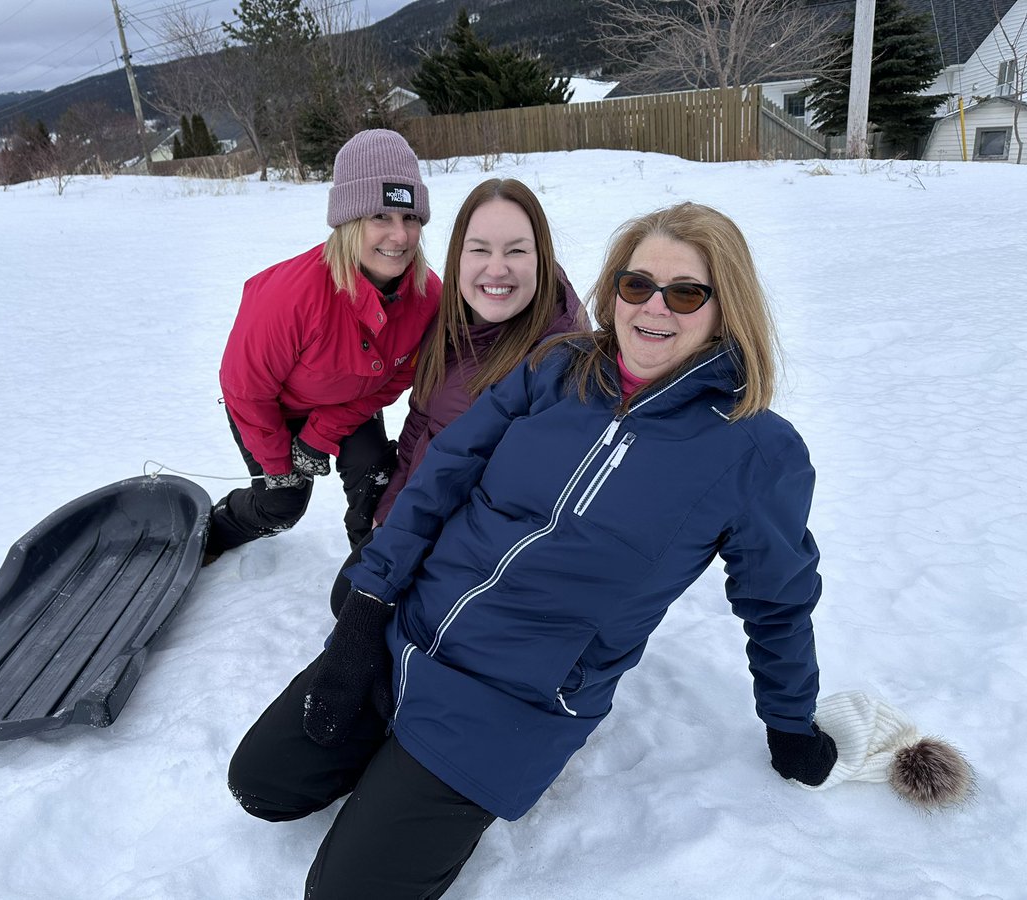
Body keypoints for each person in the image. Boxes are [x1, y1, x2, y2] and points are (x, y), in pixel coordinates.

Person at [228, 202, 839, 898]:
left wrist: (790, 722)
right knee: (260, 784)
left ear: (724, 306)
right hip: (413, 631)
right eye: (637, 286)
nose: (654, 309)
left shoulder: (754, 447)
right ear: (613, 291)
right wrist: (367, 610)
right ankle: (391, 748)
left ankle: (423, 778)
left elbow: (778, 602)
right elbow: (438, 480)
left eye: (686, 293)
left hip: (514, 698)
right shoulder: (558, 369)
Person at [328, 176, 588, 615]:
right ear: (458, 257)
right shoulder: (451, 322)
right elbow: (419, 424)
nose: (497, 268)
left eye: (517, 250)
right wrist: (390, 511)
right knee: (346, 598)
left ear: (542, 258)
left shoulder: (556, 363)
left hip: (477, 561)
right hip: (419, 519)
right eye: (480, 249)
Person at [204, 129, 442, 563]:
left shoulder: (427, 298)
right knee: (283, 506)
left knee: (377, 480)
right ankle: (210, 533)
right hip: (266, 411)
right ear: (349, 222)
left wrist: (320, 435)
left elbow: (397, 378)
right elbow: (245, 390)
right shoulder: (290, 296)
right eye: (381, 217)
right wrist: (279, 466)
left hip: (349, 403)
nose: (400, 236)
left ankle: (369, 574)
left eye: (410, 219)